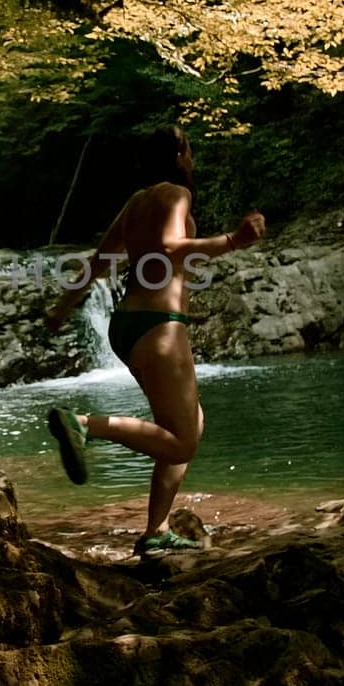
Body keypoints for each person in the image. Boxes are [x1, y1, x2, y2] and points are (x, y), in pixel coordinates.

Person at [44, 126, 266, 556]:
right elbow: (169, 246)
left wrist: (63, 306)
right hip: (159, 325)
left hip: (126, 327)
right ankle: (84, 425)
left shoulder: (136, 201)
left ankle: (155, 529)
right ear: (180, 152)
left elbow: (101, 259)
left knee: (190, 424)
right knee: (182, 440)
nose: (193, 157)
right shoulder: (176, 195)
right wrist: (234, 241)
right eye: (191, 147)